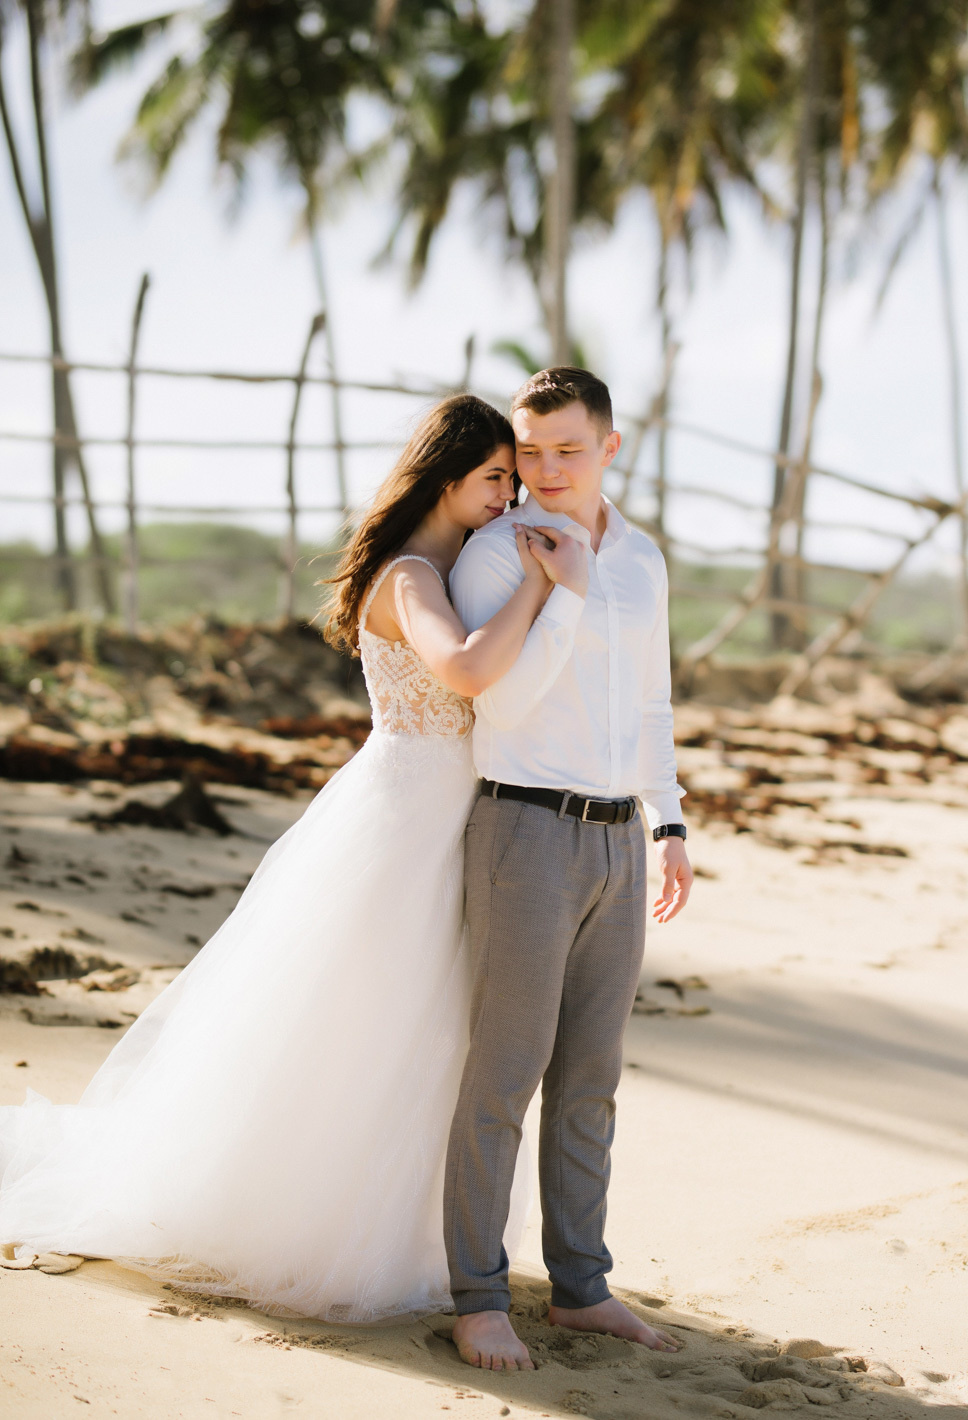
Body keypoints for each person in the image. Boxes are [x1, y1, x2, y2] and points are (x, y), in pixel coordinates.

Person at [0, 393, 588, 1324]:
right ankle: (304, 1225)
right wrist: (544, 587)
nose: (506, 496)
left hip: (448, 818)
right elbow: (469, 673)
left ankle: (412, 1234)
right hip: (404, 826)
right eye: (492, 479)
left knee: (425, 1036)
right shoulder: (408, 577)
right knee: (368, 1025)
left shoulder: (449, 564)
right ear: (445, 479)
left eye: (510, 481)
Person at [444, 366, 693, 1372]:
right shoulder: (496, 556)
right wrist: (561, 591)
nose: (543, 472)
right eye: (528, 450)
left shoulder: (641, 561)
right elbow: (498, 704)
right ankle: (477, 1295)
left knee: (591, 1077)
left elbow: (650, 702)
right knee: (505, 1074)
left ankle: (581, 1287)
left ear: (608, 449)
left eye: (566, 450)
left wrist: (668, 821)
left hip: (618, 841)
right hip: (523, 834)